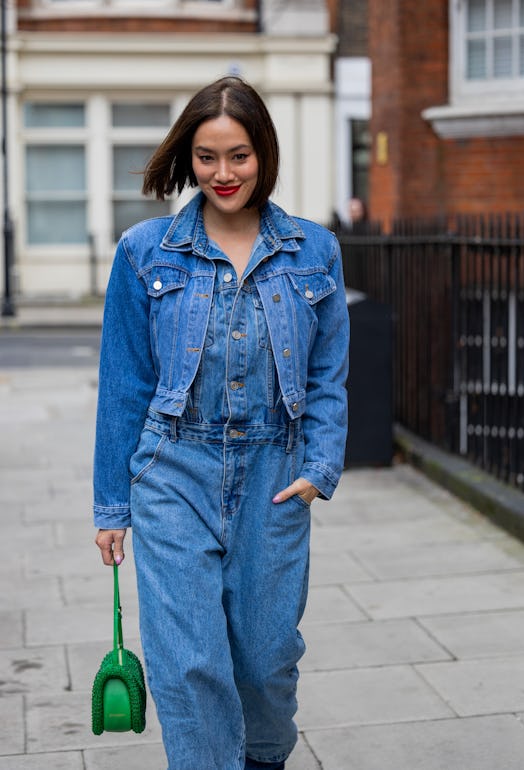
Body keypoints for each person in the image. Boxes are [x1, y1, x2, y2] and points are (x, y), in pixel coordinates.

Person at [93, 76, 349, 770]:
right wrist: (112, 505)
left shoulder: (313, 251)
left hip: (275, 473)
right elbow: (124, 384)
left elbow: (328, 376)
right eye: (207, 157)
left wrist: (317, 470)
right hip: (173, 469)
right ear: (188, 157)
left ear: (262, 153)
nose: (223, 173)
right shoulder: (146, 252)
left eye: (238, 155)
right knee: (191, 665)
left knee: (267, 664)